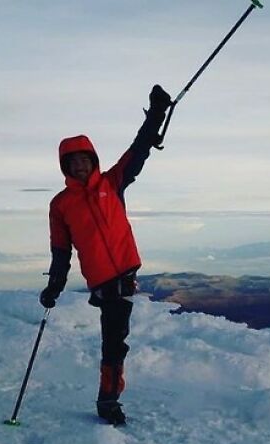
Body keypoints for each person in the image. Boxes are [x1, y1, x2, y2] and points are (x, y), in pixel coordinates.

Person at [39, 84, 172, 425]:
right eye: (74, 162)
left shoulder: (112, 183)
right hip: (101, 281)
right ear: (65, 166)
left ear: (93, 161)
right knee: (114, 343)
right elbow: (60, 250)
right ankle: (108, 400)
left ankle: (108, 398)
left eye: (85, 160)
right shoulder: (61, 205)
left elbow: (139, 150)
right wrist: (54, 286)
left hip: (125, 276)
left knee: (115, 343)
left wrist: (157, 113)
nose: (81, 166)